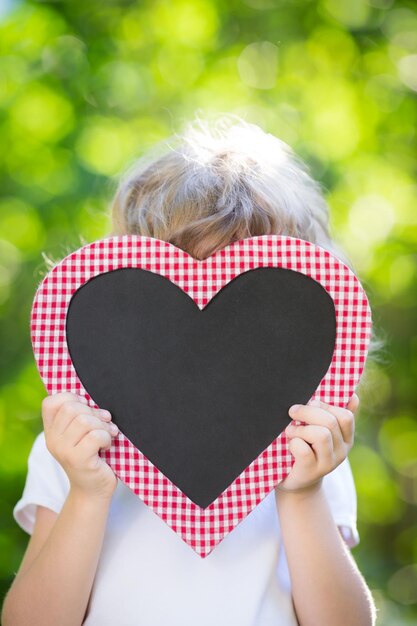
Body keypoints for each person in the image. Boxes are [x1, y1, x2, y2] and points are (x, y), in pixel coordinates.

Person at [2, 113, 377, 626]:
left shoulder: (310, 451)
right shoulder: (74, 445)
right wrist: (87, 493)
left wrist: (302, 492)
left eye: (256, 303)